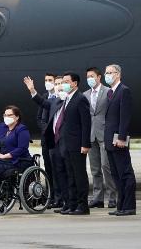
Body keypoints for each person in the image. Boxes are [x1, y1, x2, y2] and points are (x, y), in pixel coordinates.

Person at [23, 74, 63, 209]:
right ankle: (55, 197)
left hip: (64, 141)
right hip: (49, 140)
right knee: (52, 170)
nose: (55, 86)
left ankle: (65, 198)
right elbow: (41, 110)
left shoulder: (68, 99)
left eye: (57, 83)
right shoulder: (51, 100)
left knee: (63, 171)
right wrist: (32, 90)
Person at [55, 72, 92, 215]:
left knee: (79, 175)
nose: (63, 84)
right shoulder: (68, 99)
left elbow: (86, 124)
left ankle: (83, 206)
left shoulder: (80, 99)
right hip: (67, 144)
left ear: (75, 83)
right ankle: (72, 204)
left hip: (77, 145)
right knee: (70, 175)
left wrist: (85, 144)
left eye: (66, 81)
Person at [103, 65, 137, 216]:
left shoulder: (124, 91)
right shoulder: (111, 92)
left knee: (125, 173)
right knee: (116, 174)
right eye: (106, 72)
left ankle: (129, 206)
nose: (107, 75)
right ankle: (121, 205)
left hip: (118, 139)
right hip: (110, 140)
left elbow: (125, 117)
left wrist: (121, 137)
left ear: (118, 74)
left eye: (110, 73)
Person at [83, 67, 116, 209]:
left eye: (92, 76)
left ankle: (113, 196)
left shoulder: (108, 92)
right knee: (95, 169)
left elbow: (113, 113)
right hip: (91, 135)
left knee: (106, 166)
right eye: (87, 77)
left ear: (99, 77)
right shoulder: (85, 94)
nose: (89, 78)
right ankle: (98, 198)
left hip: (104, 134)